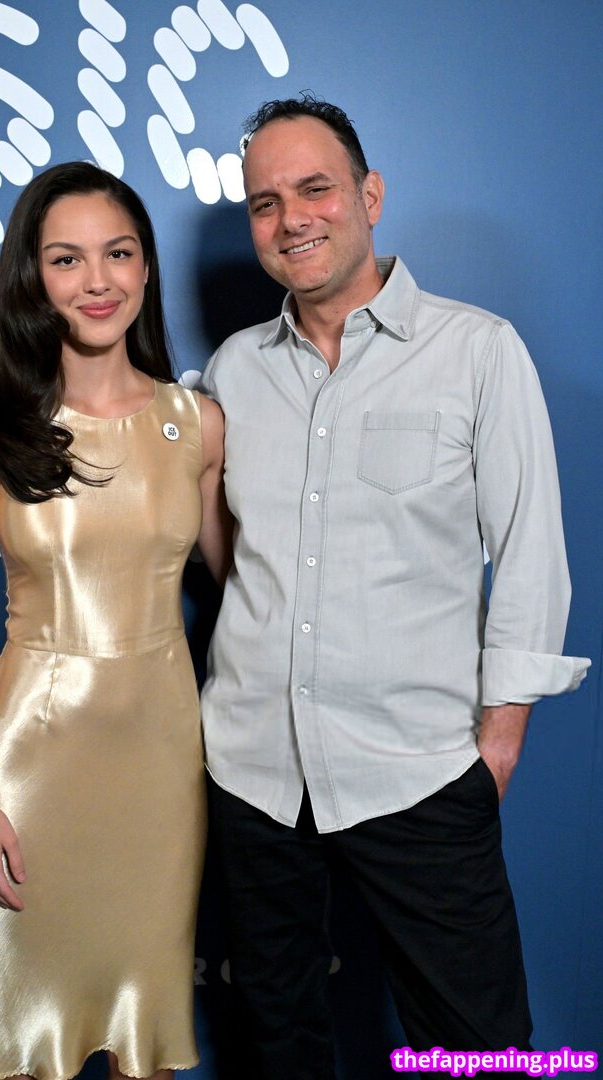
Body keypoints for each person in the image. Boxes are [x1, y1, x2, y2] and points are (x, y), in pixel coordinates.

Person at [197, 96, 590, 1078]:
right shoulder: (233, 374)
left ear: (370, 195)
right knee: (276, 1045)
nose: (291, 218)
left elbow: (532, 554)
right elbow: (215, 547)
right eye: (264, 203)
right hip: (253, 772)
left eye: (315, 189)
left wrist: (497, 746)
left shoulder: (477, 351)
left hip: (418, 768)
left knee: (481, 1051)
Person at [0, 161, 229, 1080]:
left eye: (119, 253)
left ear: (145, 267)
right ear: (35, 277)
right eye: (67, 259)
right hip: (33, 761)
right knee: (25, 1041)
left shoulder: (199, 423)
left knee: (147, 1039)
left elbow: (248, 586)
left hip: (164, 766)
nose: (97, 281)